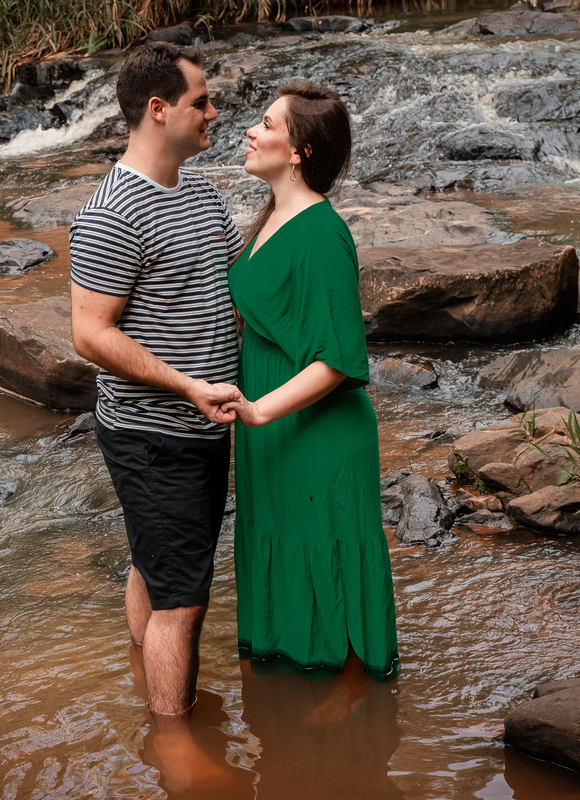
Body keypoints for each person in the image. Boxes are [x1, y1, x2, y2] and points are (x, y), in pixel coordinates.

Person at [68, 42, 245, 719]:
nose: (214, 112)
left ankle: (147, 695)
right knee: (183, 603)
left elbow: (239, 290)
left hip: (201, 423)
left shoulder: (199, 193)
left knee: (152, 565)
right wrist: (189, 386)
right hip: (154, 432)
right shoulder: (114, 211)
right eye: (202, 102)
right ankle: (177, 751)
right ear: (159, 108)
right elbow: (90, 334)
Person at [222, 80, 400, 680]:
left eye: (267, 124)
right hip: (273, 428)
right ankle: (295, 711)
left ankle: (350, 712)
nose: (251, 131)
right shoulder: (270, 218)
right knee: (284, 545)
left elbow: (338, 359)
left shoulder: (322, 233)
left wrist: (258, 411)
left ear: (298, 152)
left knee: (323, 556)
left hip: (312, 433)